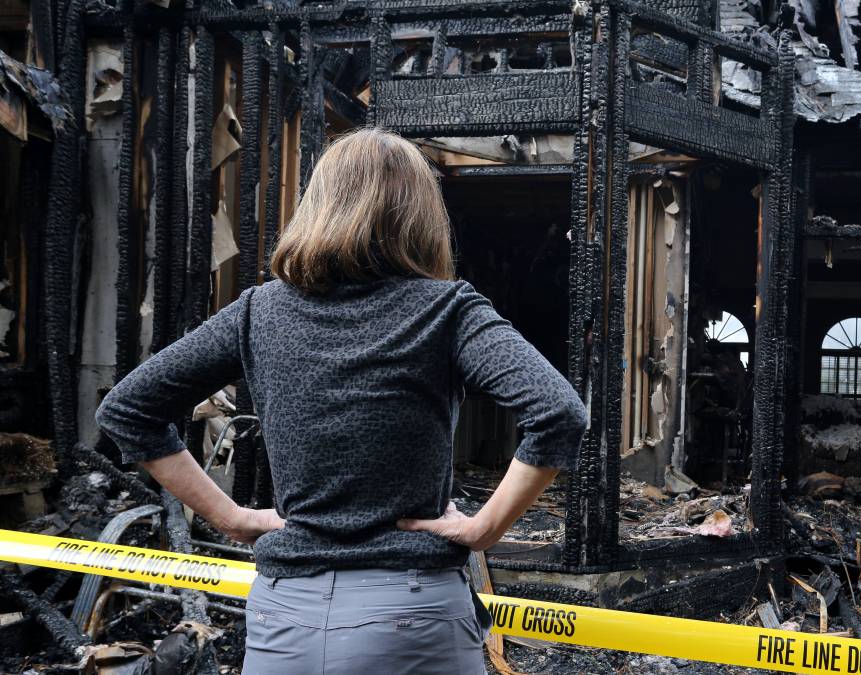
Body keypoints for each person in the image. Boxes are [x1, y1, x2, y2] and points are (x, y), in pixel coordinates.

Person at [95, 128, 588, 674]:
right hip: (411, 612)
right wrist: (484, 529)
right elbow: (558, 412)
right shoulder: (448, 310)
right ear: (421, 215)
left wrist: (230, 517)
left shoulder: (259, 311)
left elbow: (127, 409)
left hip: (284, 620)